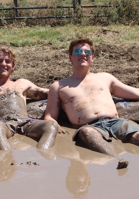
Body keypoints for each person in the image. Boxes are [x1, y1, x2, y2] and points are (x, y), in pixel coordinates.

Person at [44, 38, 139, 169]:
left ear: (92, 57)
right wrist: (56, 126)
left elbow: (134, 92)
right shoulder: (58, 86)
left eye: (86, 52)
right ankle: (117, 158)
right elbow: (49, 115)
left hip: (116, 122)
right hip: (90, 126)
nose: (82, 54)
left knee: (136, 134)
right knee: (87, 134)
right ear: (70, 57)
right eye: (77, 51)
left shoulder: (105, 78)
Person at [0, 47, 58, 151]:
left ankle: (43, 154)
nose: (4, 64)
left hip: (26, 122)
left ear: (13, 66)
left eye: (8, 61)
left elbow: (48, 93)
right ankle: (6, 161)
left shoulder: (22, 83)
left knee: (51, 126)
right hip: (2, 123)